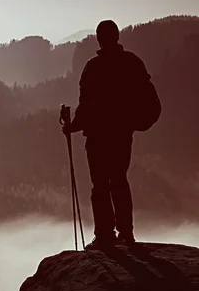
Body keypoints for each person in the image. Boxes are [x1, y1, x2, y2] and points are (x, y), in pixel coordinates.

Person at [62, 20, 153, 250]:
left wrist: (72, 126)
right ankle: (126, 234)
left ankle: (105, 235)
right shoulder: (132, 63)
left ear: (99, 39)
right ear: (117, 36)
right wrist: (135, 124)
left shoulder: (93, 68)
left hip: (97, 137)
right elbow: (151, 101)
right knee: (119, 181)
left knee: (100, 185)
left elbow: (85, 106)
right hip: (122, 135)